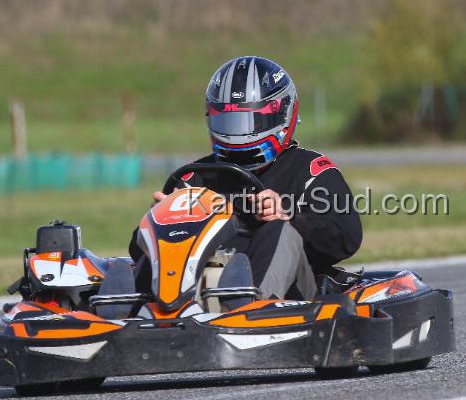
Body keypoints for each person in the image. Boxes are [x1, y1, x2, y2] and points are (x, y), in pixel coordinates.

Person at [130, 56, 362, 300]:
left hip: (292, 298)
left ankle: (250, 307)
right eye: (229, 122)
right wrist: (162, 220)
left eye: (250, 121)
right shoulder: (195, 176)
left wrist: (290, 218)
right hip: (201, 291)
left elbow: (346, 238)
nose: (238, 135)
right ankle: (122, 308)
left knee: (278, 229)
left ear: (280, 113)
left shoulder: (310, 171)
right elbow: (136, 252)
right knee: (124, 260)